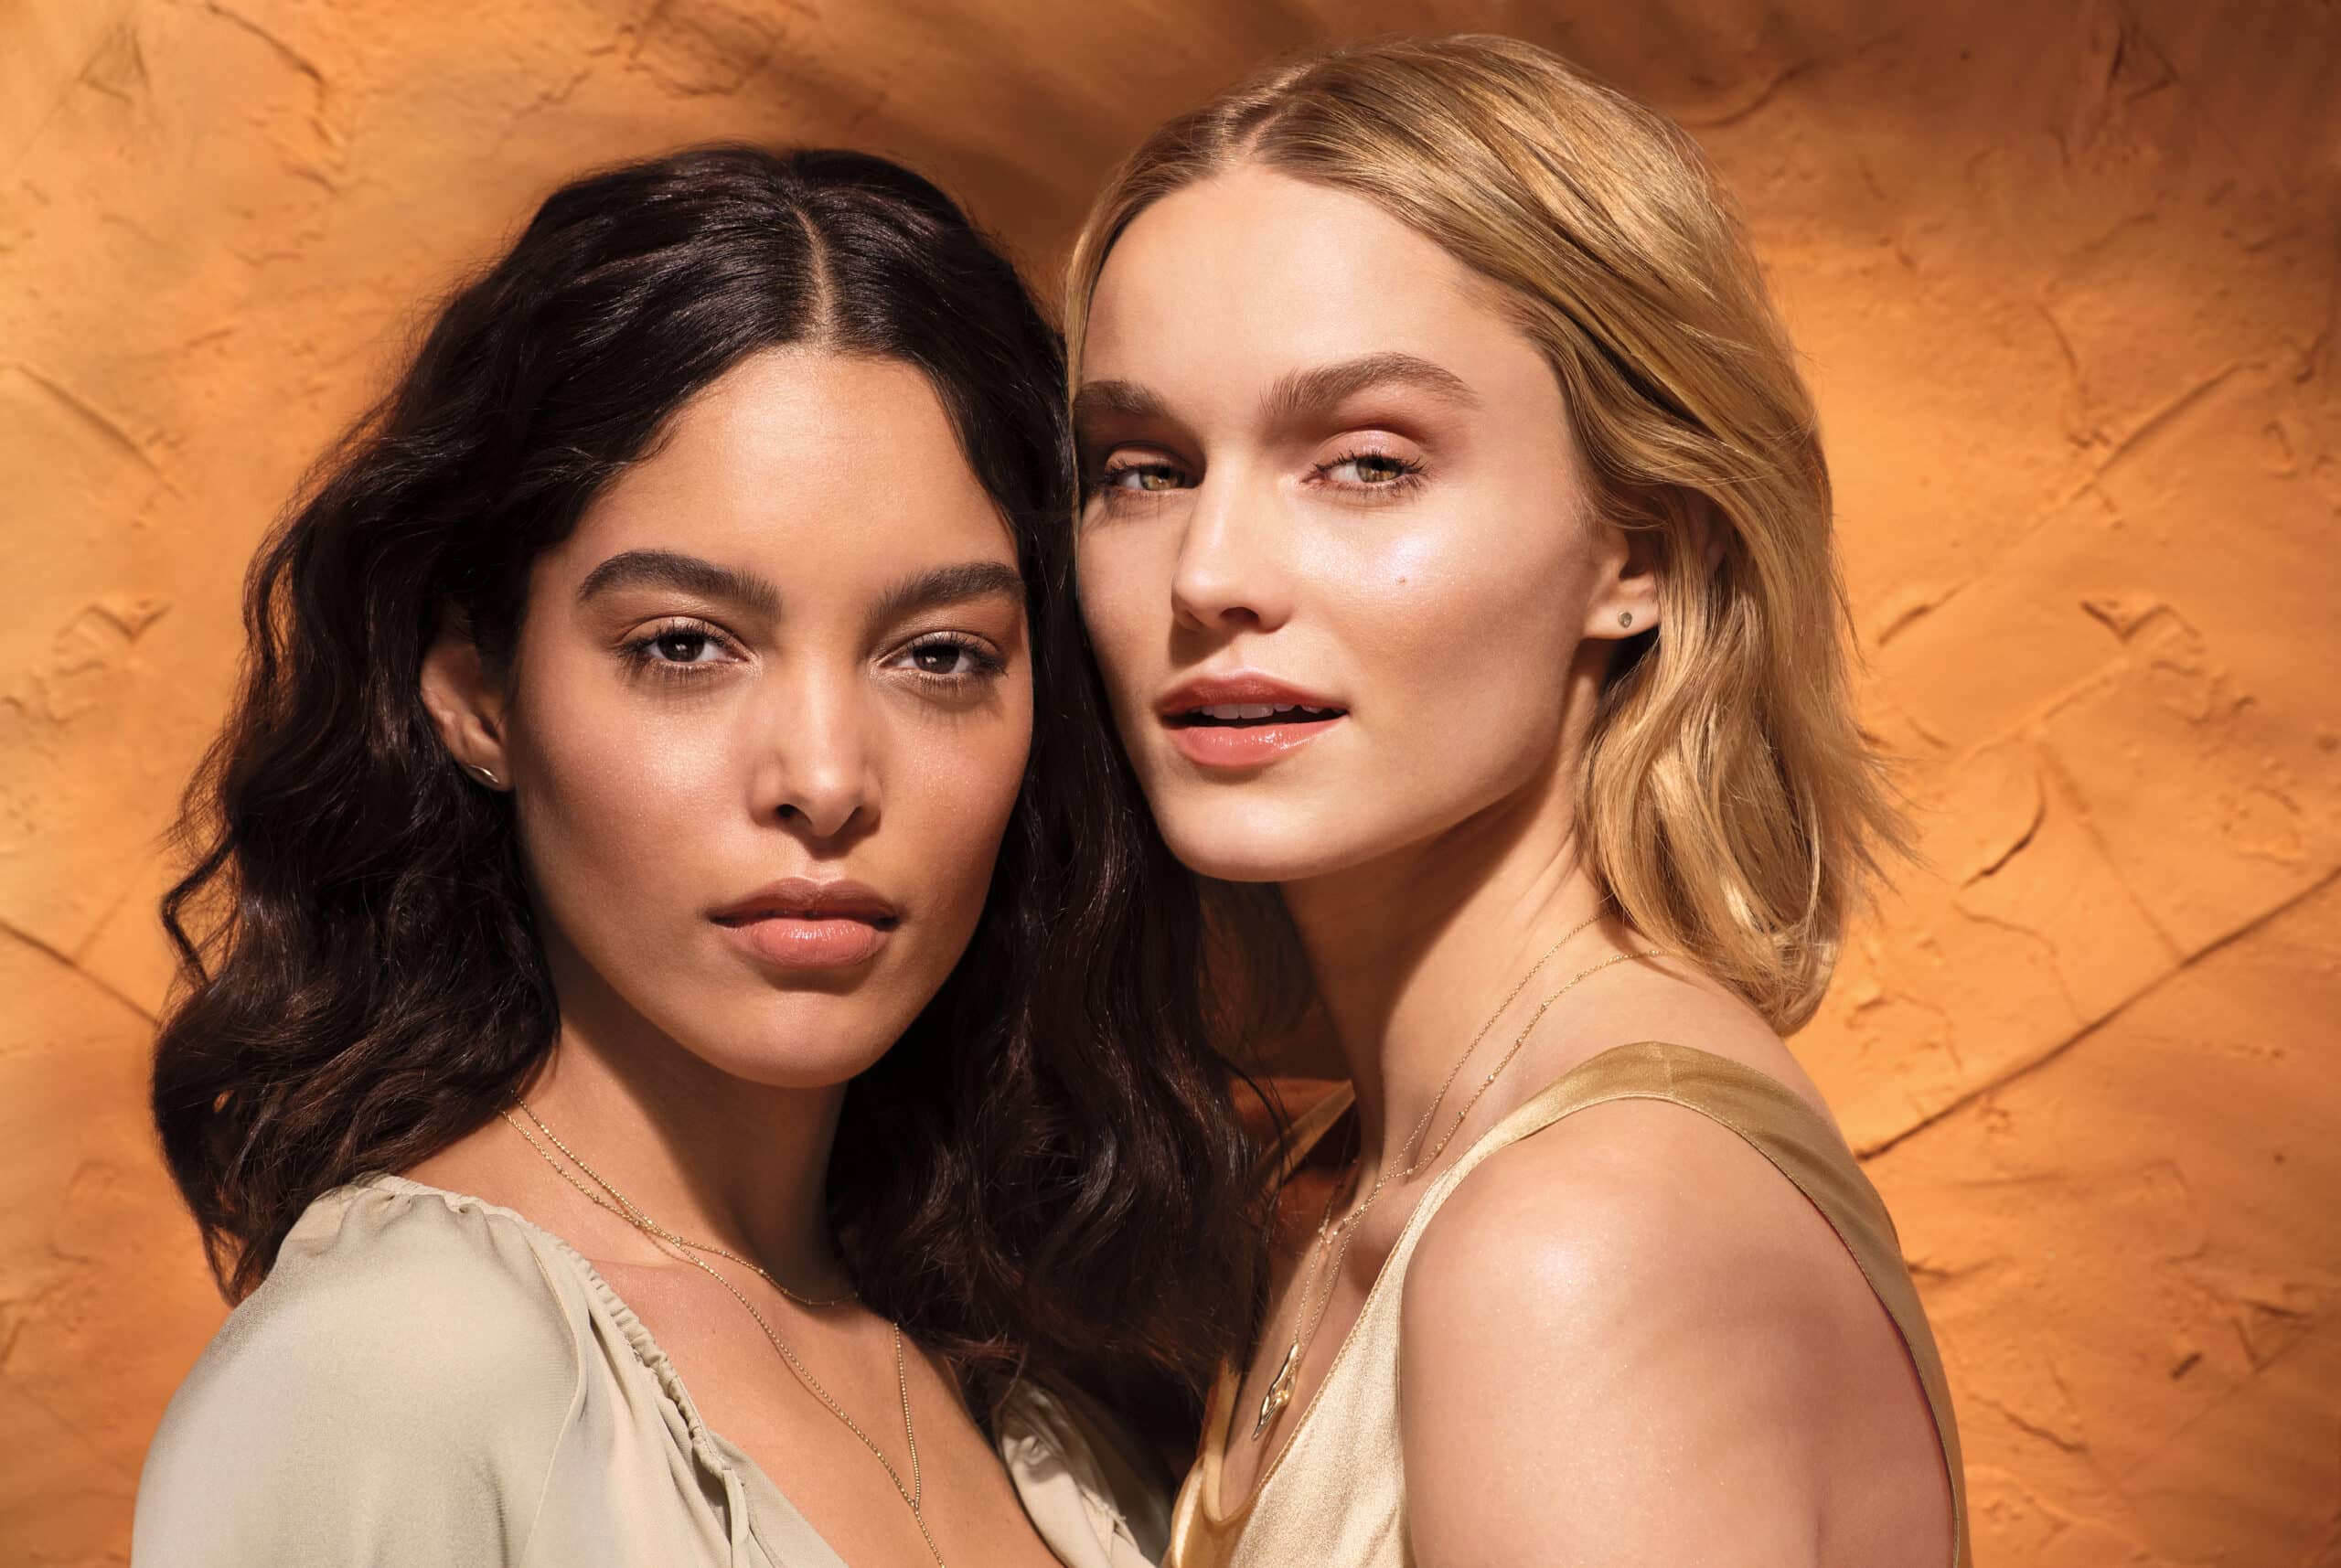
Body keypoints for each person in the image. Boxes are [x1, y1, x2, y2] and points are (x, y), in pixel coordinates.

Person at [134, 144, 1260, 1568]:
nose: (826, 781)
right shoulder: (389, 1379)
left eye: (938, 655)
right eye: (684, 646)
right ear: (481, 692)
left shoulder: (1037, 1378)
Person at [1064, 35, 1968, 1568]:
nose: (1209, 575)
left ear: (1646, 551)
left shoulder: (1582, 1243)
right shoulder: (1344, 1181)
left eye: (1360, 464)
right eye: (1143, 468)